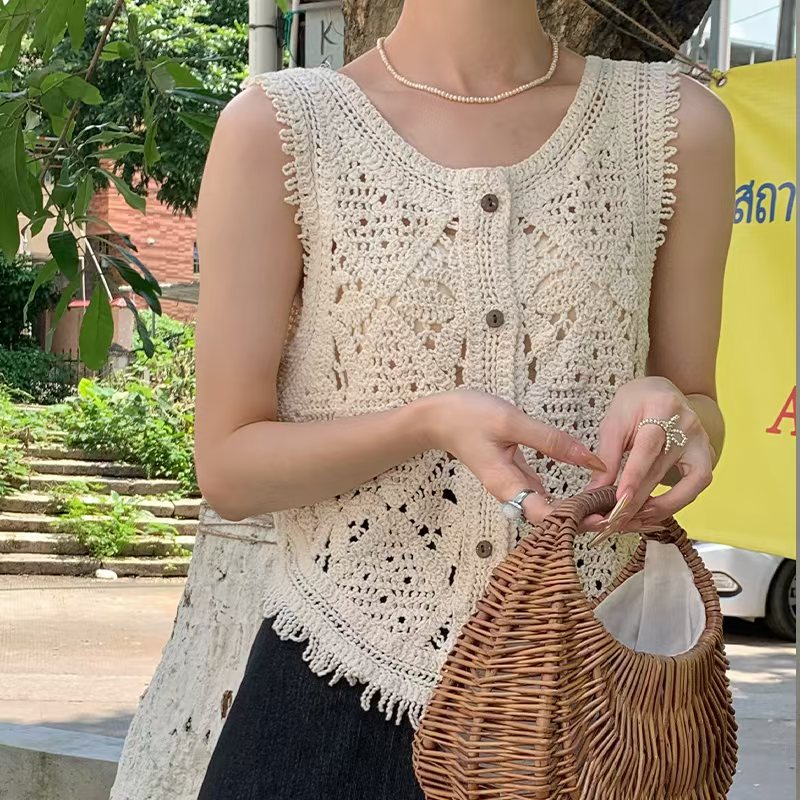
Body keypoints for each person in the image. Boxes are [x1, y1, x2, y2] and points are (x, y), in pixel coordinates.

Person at [192, 1, 735, 797]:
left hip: (585, 713)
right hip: (330, 696)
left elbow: (698, 404)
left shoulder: (676, 125)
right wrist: (427, 423)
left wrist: (670, 412)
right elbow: (229, 469)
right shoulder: (280, 129)